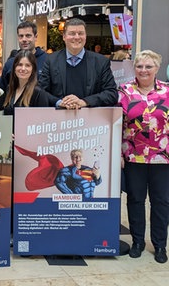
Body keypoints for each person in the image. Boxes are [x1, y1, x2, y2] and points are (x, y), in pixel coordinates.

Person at [119, 50, 169, 263]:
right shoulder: (124, 91)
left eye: (148, 66)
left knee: (161, 202)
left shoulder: (167, 92)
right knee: (135, 200)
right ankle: (137, 242)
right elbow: (118, 123)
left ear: (157, 68)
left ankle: (160, 245)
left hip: (162, 157)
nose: (143, 70)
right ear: (134, 68)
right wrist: (119, 152)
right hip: (133, 156)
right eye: (139, 66)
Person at [39, 18, 117, 109]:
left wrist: (84, 102)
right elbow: (41, 92)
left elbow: (112, 94)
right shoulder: (51, 60)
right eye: (72, 33)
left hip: (91, 121)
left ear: (85, 36)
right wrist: (59, 102)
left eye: (80, 33)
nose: (76, 37)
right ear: (64, 37)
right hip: (58, 120)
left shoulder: (101, 62)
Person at [0, 21, 47, 91]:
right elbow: (3, 90)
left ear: (36, 37)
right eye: (21, 36)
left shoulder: (47, 61)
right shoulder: (10, 63)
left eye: (28, 36)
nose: (24, 39)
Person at [0, 50, 50, 115]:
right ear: (14, 68)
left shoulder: (39, 93)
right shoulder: (9, 89)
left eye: (27, 65)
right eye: (20, 65)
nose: (23, 69)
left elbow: (42, 121)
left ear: (33, 69)